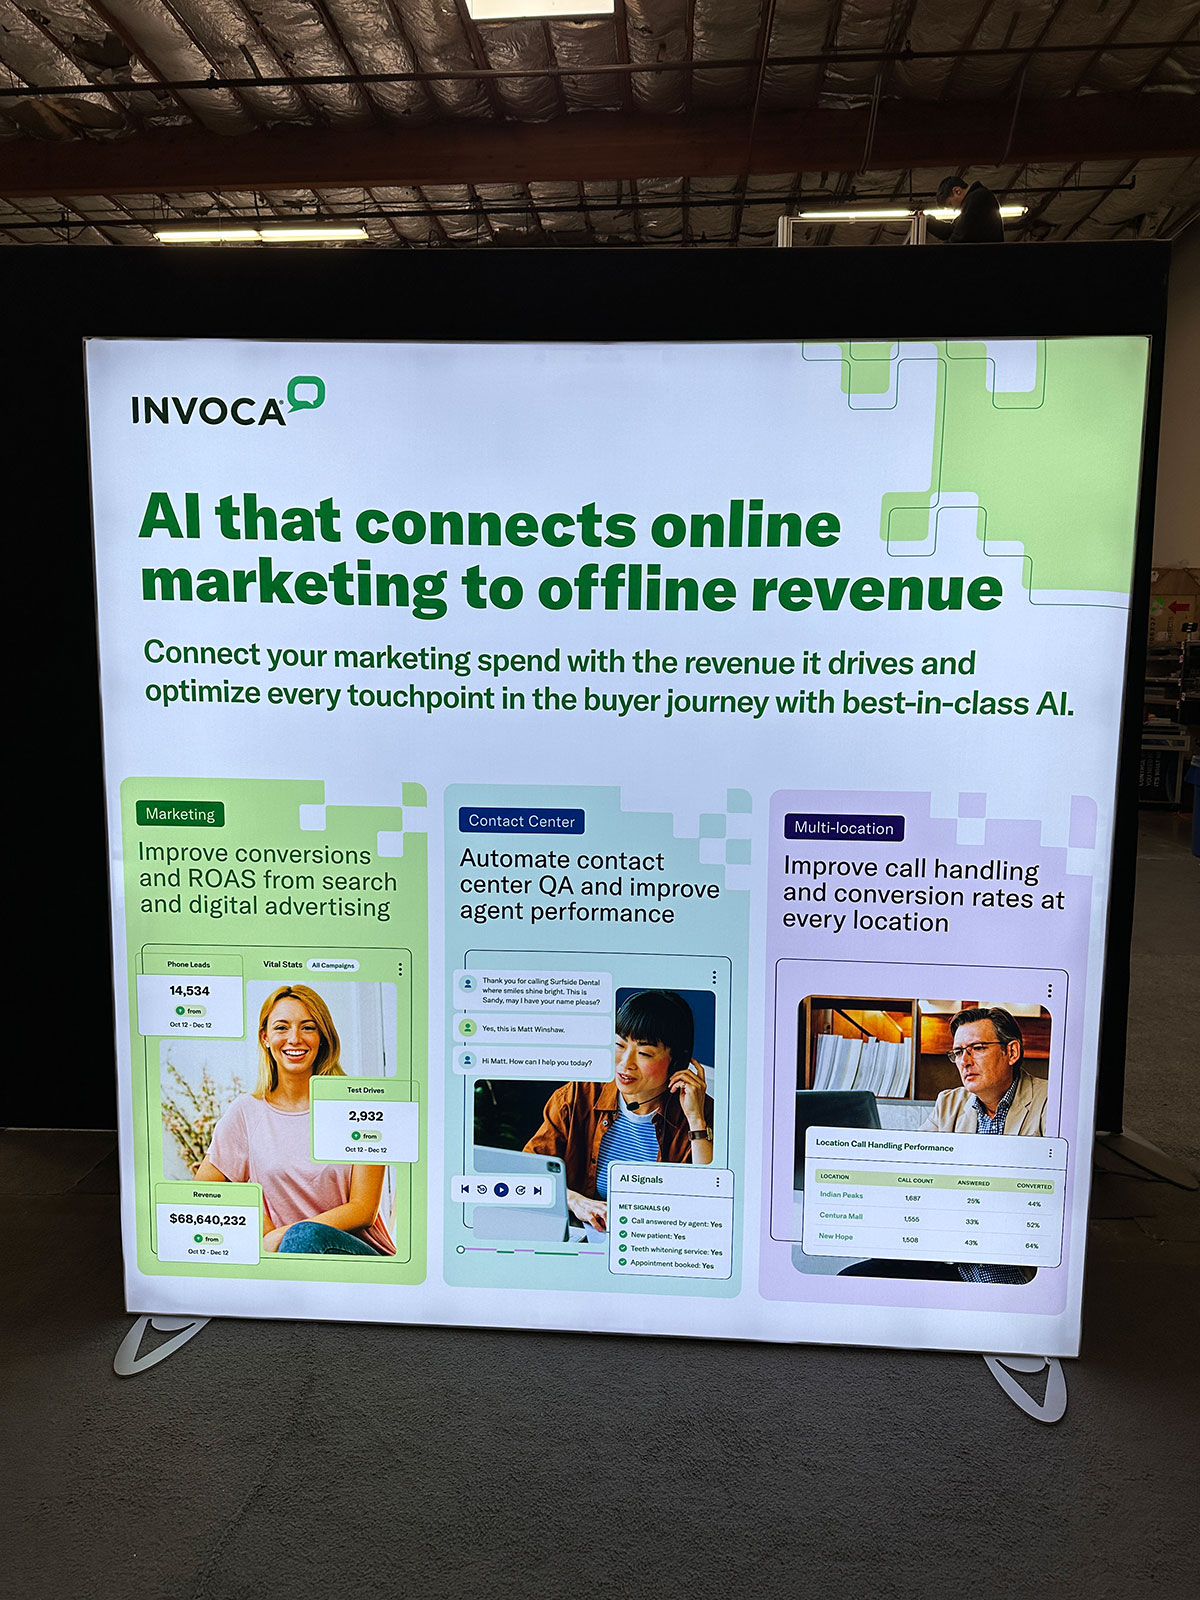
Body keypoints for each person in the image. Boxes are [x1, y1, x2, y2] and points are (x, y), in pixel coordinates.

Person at [195, 983, 395, 1255]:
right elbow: (203, 1192)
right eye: (281, 1027)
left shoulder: (357, 1107)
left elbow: (363, 1210)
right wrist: (261, 1223)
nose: (294, 1038)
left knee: (303, 1237)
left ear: (322, 1037)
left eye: (308, 1027)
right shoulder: (246, 1113)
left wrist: (285, 1232)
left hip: (357, 1257)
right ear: (265, 1037)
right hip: (287, 1260)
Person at [524, 989, 713, 1233]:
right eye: (619, 1045)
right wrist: (574, 1201)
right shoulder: (579, 1095)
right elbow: (529, 1173)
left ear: (677, 1061)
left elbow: (709, 1205)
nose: (625, 1063)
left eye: (644, 1053)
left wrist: (696, 1121)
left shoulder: (702, 1112)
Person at [922, 1006, 1049, 1136]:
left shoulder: (1050, 1099)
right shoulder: (947, 1104)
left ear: (1012, 1052)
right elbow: (916, 1148)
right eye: (959, 1052)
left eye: (978, 1048)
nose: (965, 1062)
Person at [925, 174, 1004, 243]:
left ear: (957, 191)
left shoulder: (978, 198)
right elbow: (952, 230)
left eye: (950, 204)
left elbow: (960, 237)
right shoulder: (975, 199)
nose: (954, 209)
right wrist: (927, 221)